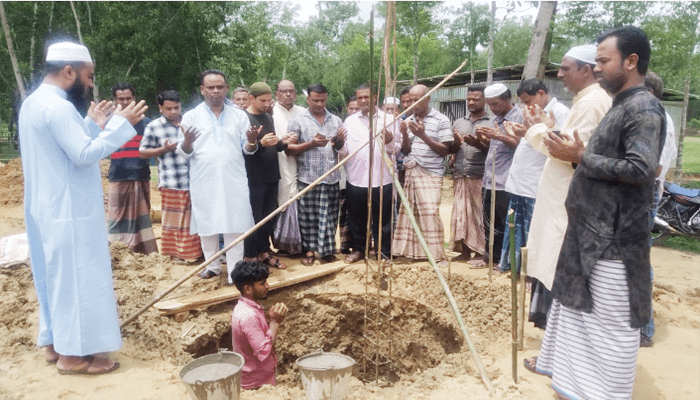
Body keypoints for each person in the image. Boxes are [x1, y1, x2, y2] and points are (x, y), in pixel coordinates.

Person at [530, 27, 665, 400]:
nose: (598, 67)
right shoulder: (620, 103)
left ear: (631, 61)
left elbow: (641, 169)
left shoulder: (643, 107)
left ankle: (605, 393)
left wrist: (580, 157)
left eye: (603, 60)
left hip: (614, 239)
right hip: (591, 234)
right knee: (581, 316)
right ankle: (579, 388)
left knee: (610, 324)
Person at [19, 41, 148, 374]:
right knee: (73, 281)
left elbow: (67, 148)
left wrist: (93, 125)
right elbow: (83, 155)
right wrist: (122, 125)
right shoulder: (58, 108)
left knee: (52, 279)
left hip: (48, 207)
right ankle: (72, 357)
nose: (91, 84)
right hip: (69, 210)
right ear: (68, 71)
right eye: (89, 77)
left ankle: (52, 342)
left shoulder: (35, 103)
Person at [524, 45, 612, 330]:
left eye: (565, 68)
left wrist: (536, 130)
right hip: (566, 198)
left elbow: (570, 153)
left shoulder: (590, 102)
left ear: (586, 70)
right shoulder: (586, 100)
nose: (559, 74)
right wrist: (547, 128)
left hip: (568, 201)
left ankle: (558, 352)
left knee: (560, 271)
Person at [178, 69, 256, 283]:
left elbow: (248, 149)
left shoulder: (239, 116)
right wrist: (186, 142)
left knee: (235, 223)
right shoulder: (191, 116)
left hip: (234, 178)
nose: (215, 91)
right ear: (202, 90)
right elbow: (183, 152)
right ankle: (212, 266)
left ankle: (235, 271)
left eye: (220, 87)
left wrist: (252, 141)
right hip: (204, 178)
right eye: (210, 87)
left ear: (227, 89)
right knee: (207, 222)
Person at [497, 79, 569, 273]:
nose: (526, 106)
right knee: (515, 227)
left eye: (528, 100)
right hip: (521, 183)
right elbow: (533, 138)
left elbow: (555, 145)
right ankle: (514, 267)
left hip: (535, 185)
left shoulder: (560, 113)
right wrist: (523, 132)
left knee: (534, 232)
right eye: (523, 102)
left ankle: (532, 272)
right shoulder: (533, 113)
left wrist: (528, 131)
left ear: (541, 93)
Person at [286, 84, 347, 266]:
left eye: (323, 100)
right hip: (308, 177)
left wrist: (339, 142)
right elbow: (289, 149)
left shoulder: (336, 120)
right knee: (308, 218)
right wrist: (311, 144)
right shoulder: (298, 120)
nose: (319, 103)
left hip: (331, 178)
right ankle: (310, 252)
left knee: (329, 216)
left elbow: (340, 148)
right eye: (315, 100)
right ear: (308, 99)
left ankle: (327, 252)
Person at [393, 84, 453, 263]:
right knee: (412, 213)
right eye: (410, 100)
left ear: (428, 99)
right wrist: (405, 135)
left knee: (429, 211)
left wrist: (423, 135)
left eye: (416, 100)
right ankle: (416, 253)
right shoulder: (408, 119)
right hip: (411, 171)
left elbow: (445, 150)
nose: (412, 103)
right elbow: (406, 150)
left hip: (431, 172)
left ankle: (436, 255)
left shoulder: (441, 119)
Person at [140, 90, 203, 263]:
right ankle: (176, 254)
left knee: (195, 218)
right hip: (172, 179)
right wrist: (163, 149)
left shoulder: (190, 122)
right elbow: (143, 152)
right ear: (160, 108)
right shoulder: (154, 126)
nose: (173, 112)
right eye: (169, 108)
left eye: (176, 107)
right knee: (174, 219)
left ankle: (195, 252)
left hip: (196, 178)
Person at [340, 84, 400, 264]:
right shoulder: (350, 121)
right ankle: (360, 250)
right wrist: (339, 143)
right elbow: (345, 151)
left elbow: (397, 148)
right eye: (360, 98)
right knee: (357, 218)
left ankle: (384, 253)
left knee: (383, 220)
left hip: (383, 179)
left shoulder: (388, 119)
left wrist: (389, 142)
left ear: (375, 97)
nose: (363, 101)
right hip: (356, 178)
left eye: (367, 97)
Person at [641, 70, 677, 347]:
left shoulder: (658, 119)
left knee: (638, 260)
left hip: (644, 192)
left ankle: (644, 328)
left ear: (648, 92)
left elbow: (655, 169)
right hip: (643, 190)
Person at [243, 82, 296, 270]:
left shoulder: (268, 117)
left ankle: (264, 253)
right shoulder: (243, 118)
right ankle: (250, 257)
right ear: (251, 98)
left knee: (268, 217)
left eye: (268, 100)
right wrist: (258, 143)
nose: (266, 104)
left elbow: (273, 145)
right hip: (253, 178)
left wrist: (282, 142)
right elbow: (242, 149)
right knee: (254, 219)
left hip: (272, 175)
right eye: (262, 100)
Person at [473, 83, 522, 269]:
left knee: (505, 222)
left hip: (507, 180)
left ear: (507, 99)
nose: (492, 109)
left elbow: (521, 145)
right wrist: (484, 139)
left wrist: (499, 135)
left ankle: (505, 261)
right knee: (489, 221)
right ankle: (490, 258)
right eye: (490, 105)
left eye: (495, 104)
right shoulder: (495, 118)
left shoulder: (520, 117)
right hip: (490, 179)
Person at [106, 83, 157, 255]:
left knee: (141, 217)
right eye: (121, 99)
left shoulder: (146, 122)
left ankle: (143, 252)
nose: (125, 102)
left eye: (128, 98)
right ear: (115, 101)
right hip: (118, 175)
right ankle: (116, 252)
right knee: (115, 217)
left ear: (134, 99)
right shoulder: (108, 122)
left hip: (140, 174)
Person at [448, 86, 490, 264]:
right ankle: (464, 251)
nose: (471, 102)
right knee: (461, 214)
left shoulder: (491, 122)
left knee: (479, 216)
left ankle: (481, 252)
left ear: (485, 100)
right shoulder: (458, 122)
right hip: (460, 174)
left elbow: (495, 153)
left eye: (476, 99)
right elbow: (451, 149)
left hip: (480, 175)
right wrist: (456, 144)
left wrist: (478, 144)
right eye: (469, 99)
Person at [231, 260, 288, 389]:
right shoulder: (248, 316)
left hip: (259, 378)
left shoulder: (247, 307)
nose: (267, 286)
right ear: (248, 289)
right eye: (262, 283)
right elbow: (263, 351)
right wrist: (275, 322)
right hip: (256, 384)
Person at [271, 79, 305, 256]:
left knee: (299, 200)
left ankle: (300, 245)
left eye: (291, 91)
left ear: (296, 93)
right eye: (283, 91)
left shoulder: (303, 112)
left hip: (302, 161)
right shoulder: (271, 112)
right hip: (279, 162)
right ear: (277, 93)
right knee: (283, 198)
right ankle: (283, 244)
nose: (287, 94)